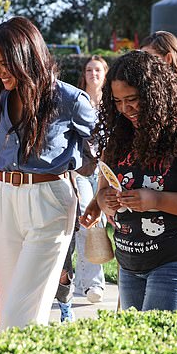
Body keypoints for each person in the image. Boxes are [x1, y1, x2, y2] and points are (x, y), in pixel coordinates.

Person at [82, 50, 177, 312]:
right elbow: (107, 182)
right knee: (134, 347)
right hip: (131, 263)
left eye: (132, 99)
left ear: (155, 93)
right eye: (117, 101)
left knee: (158, 344)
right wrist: (102, 199)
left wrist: (156, 200)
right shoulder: (121, 132)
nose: (125, 108)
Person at [0, 16, 96, 331]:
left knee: (23, 310)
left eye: (5, 64)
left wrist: (83, 170)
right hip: (4, 200)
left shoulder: (70, 100)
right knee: (8, 306)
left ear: (27, 57)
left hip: (50, 202)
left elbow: (103, 146)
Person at [72, 55, 109, 303]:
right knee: (89, 220)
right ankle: (93, 284)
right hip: (81, 170)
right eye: (89, 69)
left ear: (105, 74)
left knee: (101, 222)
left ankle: (81, 282)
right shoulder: (77, 100)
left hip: (106, 170)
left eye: (97, 70)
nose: (93, 73)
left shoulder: (113, 103)